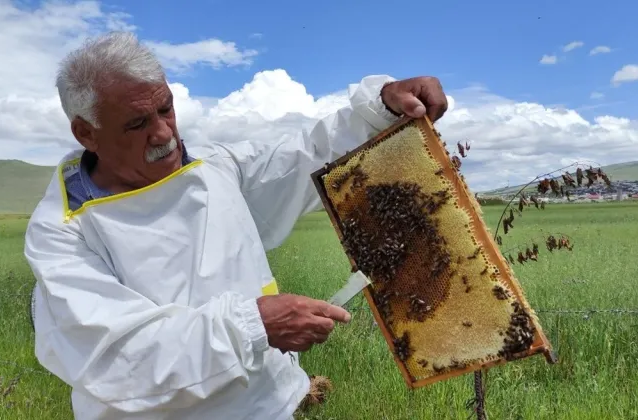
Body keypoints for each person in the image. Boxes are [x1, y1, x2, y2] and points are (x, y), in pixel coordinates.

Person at [24, 31, 448, 420]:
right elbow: (121, 358)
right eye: (137, 124)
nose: (163, 133)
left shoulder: (215, 165)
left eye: (166, 108)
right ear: (86, 133)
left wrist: (380, 109)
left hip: (275, 405)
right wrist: (254, 326)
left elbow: (307, 157)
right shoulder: (61, 233)